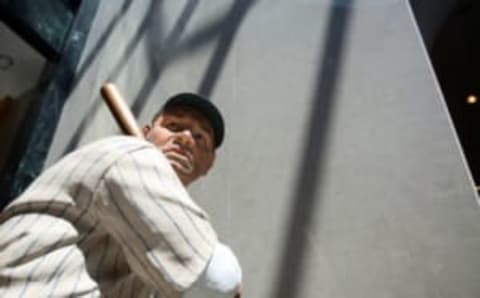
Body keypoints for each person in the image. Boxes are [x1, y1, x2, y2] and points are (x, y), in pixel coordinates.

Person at [0, 93, 242, 297]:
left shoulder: (158, 224)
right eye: (173, 126)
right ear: (146, 133)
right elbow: (217, 280)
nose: (185, 138)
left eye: (200, 137)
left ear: (209, 162)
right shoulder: (132, 154)